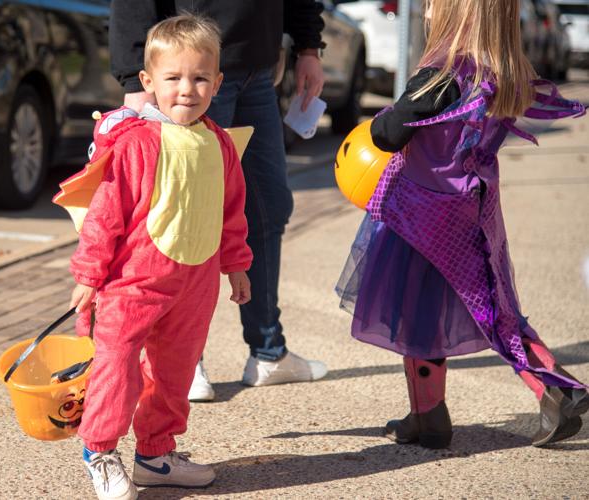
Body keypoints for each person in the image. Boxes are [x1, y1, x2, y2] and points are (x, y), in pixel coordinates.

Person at [336, 0, 588, 450]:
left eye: (433, 3)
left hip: (423, 215)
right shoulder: (499, 73)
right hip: (471, 208)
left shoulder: (440, 75)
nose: (426, 10)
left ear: (456, 13)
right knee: (489, 303)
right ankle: (430, 415)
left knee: (418, 312)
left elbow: (388, 134)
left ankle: (554, 388)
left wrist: (381, 120)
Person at [65, 15, 252, 500]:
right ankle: (100, 451)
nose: (186, 90)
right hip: (133, 283)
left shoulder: (220, 143)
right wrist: (89, 275)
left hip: (195, 284)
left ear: (217, 83)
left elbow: (231, 210)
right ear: (148, 82)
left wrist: (237, 263)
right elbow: (105, 215)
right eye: (173, 78)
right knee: (117, 367)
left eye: (199, 78)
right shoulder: (137, 143)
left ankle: (155, 455)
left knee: (175, 372)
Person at [109, 0, 329, 402]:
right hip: (189, 67)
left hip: (257, 69)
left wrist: (308, 48)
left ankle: (268, 353)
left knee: (269, 206)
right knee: (187, 214)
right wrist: (133, 81)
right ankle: (182, 360)